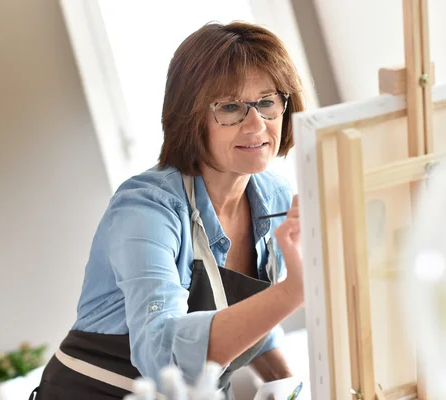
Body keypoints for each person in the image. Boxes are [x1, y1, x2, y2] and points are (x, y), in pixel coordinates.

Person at [31, 20, 306, 400]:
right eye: (229, 107)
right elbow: (162, 358)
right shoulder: (145, 209)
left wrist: (291, 387)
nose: (256, 123)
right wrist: (293, 293)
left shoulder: (273, 195)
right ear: (190, 118)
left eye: (266, 102)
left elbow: (252, 316)